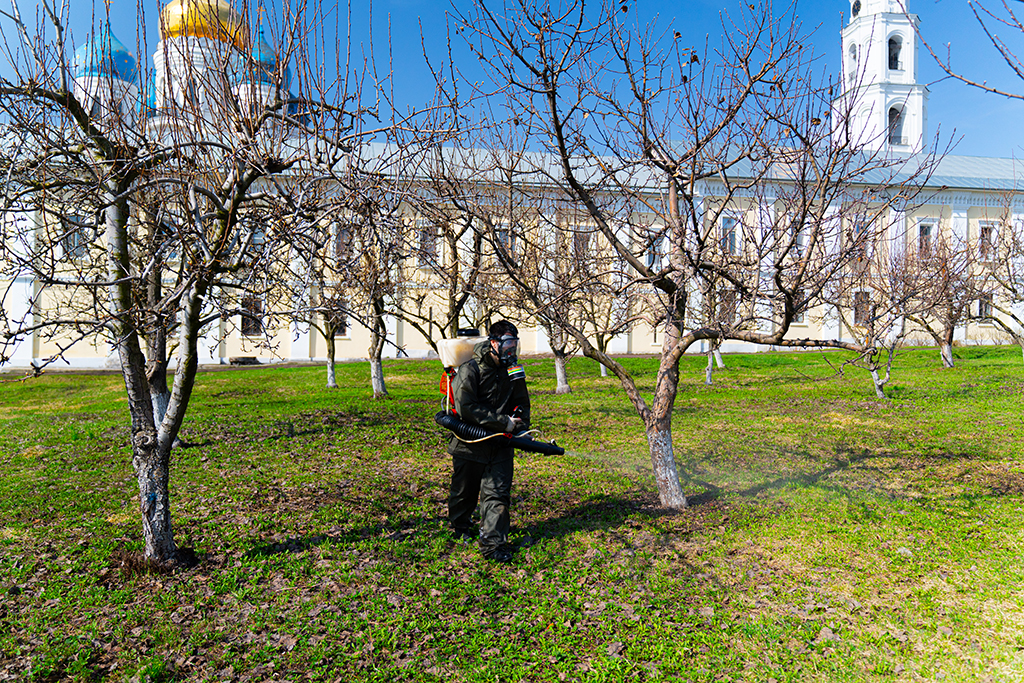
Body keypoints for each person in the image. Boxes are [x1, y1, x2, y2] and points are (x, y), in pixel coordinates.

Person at [447, 320, 531, 562]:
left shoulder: (513, 369)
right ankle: (461, 527)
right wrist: (502, 422)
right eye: (506, 344)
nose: (511, 350)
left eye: (514, 344)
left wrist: (519, 422)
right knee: (465, 493)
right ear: (493, 343)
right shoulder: (470, 369)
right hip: (469, 443)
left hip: (500, 444)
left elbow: (522, 402)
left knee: (497, 494)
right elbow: (466, 407)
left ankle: (493, 544)